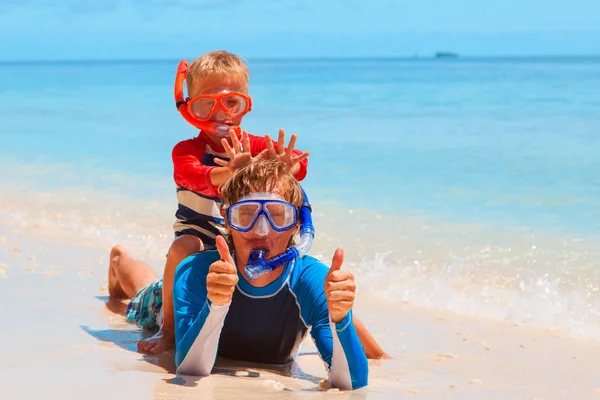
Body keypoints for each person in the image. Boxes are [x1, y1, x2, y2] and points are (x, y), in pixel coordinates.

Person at [108, 50, 388, 360]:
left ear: (245, 105)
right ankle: (149, 301)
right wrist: (229, 172)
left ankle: (376, 354)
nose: (221, 113)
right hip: (201, 248)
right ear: (191, 108)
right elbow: (197, 177)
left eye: (231, 103)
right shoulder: (186, 151)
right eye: (206, 104)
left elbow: (298, 171)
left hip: (246, 243)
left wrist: (287, 168)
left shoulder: (257, 146)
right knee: (155, 282)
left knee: (313, 279)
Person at [117, 159, 370, 389]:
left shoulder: (310, 279)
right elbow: (190, 368)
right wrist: (216, 304)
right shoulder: (198, 273)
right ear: (227, 220)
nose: (261, 230)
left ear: (295, 226)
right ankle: (119, 259)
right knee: (145, 289)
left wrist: (341, 319)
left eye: (277, 216)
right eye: (246, 214)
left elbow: (352, 383)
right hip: (167, 303)